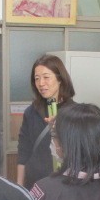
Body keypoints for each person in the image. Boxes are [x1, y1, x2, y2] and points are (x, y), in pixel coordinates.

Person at [17, 54, 76, 190]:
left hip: (66, 186)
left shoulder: (75, 113)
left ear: (60, 79)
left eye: (46, 77)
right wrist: (20, 186)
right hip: (35, 184)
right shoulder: (31, 112)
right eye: (37, 78)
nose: (41, 83)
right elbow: (23, 151)